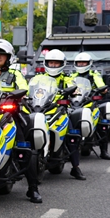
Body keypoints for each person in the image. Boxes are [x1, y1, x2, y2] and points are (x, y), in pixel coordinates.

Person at [0, 39, 42, 203]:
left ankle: (33, 188)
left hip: (11, 114)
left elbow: (24, 88)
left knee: (23, 147)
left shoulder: (16, 74)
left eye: (2, 54)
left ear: (8, 57)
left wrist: (16, 95)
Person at [40, 49, 86, 180]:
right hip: (41, 110)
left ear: (62, 64)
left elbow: (75, 89)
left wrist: (73, 92)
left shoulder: (67, 79)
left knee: (73, 136)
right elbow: (30, 89)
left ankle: (75, 167)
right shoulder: (40, 78)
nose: (53, 66)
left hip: (60, 112)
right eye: (51, 63)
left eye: (56, 63)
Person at [72, 52, 110, 160]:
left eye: (83, 63)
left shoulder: (94, 75)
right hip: (75, 102)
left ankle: (104, 151)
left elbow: (101, 85)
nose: (81, 65)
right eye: (79, 63)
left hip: (90, 103)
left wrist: (102, 89)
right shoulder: (72, 76)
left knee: (102, 124)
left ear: (89, 63)